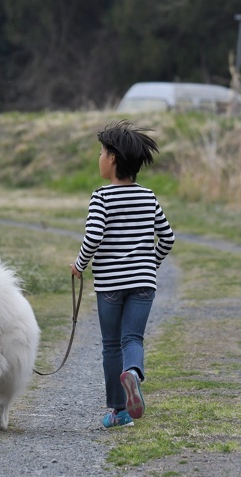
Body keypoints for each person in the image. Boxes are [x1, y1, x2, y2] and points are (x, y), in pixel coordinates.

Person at [71, 119, 175, 428]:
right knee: (133, 339)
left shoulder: (101, 197)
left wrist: (79, 265)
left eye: (102, 152)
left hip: (110, 285)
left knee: (110, 345)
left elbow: (93, 237)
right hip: (143, 283)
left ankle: (119, 411)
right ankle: (133, 374)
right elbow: (167, 237)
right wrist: (149, 265)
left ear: (113, 158)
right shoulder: (148, 196)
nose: (99, 158)